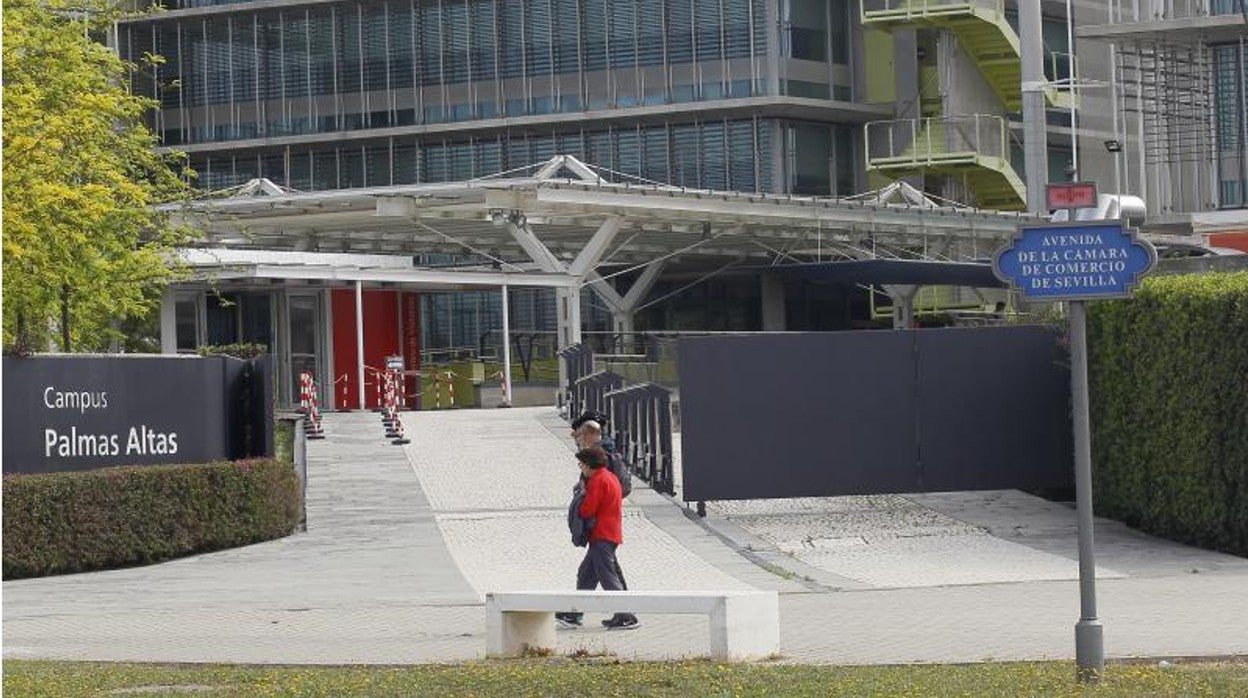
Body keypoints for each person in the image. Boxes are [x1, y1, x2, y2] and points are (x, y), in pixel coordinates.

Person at [556, 446, 639, 630]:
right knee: (586, 575)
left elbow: (588, 509)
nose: (581, 468)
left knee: (608, 577)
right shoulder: (610, 477)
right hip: (609, 533)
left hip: (602, 535)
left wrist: (580, 499)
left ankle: (626, 615)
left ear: (588, 465)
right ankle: (574, 613)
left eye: (581, 464)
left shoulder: (598, 481)